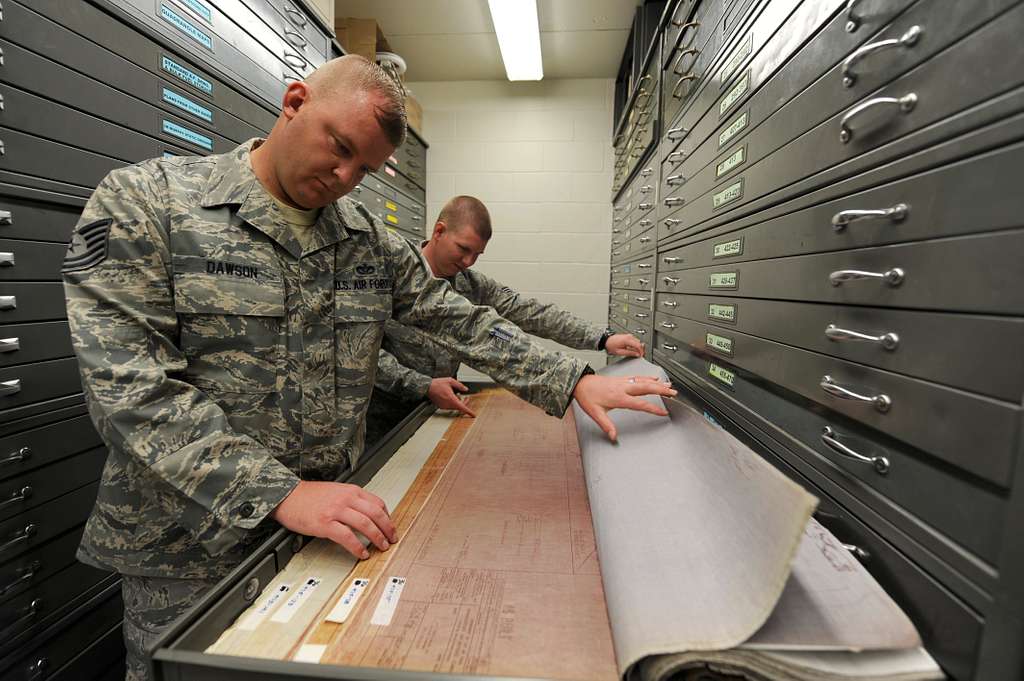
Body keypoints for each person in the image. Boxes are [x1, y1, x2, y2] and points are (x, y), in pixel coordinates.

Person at [62, 55, 675, 681]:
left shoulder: (365, 240)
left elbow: (456, 316)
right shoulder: (149, 202)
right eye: (340, 147)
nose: (345, 177)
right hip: (188, 550)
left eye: (366, 168)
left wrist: (573, 379)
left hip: (327, 529)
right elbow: (130, 389)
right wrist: (280, 493)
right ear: (294, 103)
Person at [366, 195, 646, 444]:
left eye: (477, 254)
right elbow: (362, 352)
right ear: (439, 231)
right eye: (463, 249)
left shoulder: (471, 285)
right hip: (382, 420)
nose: (468, 262)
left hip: (438, 411)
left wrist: (602, 338)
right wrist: (421, 384)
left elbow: (532, 312)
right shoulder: (390, 275)